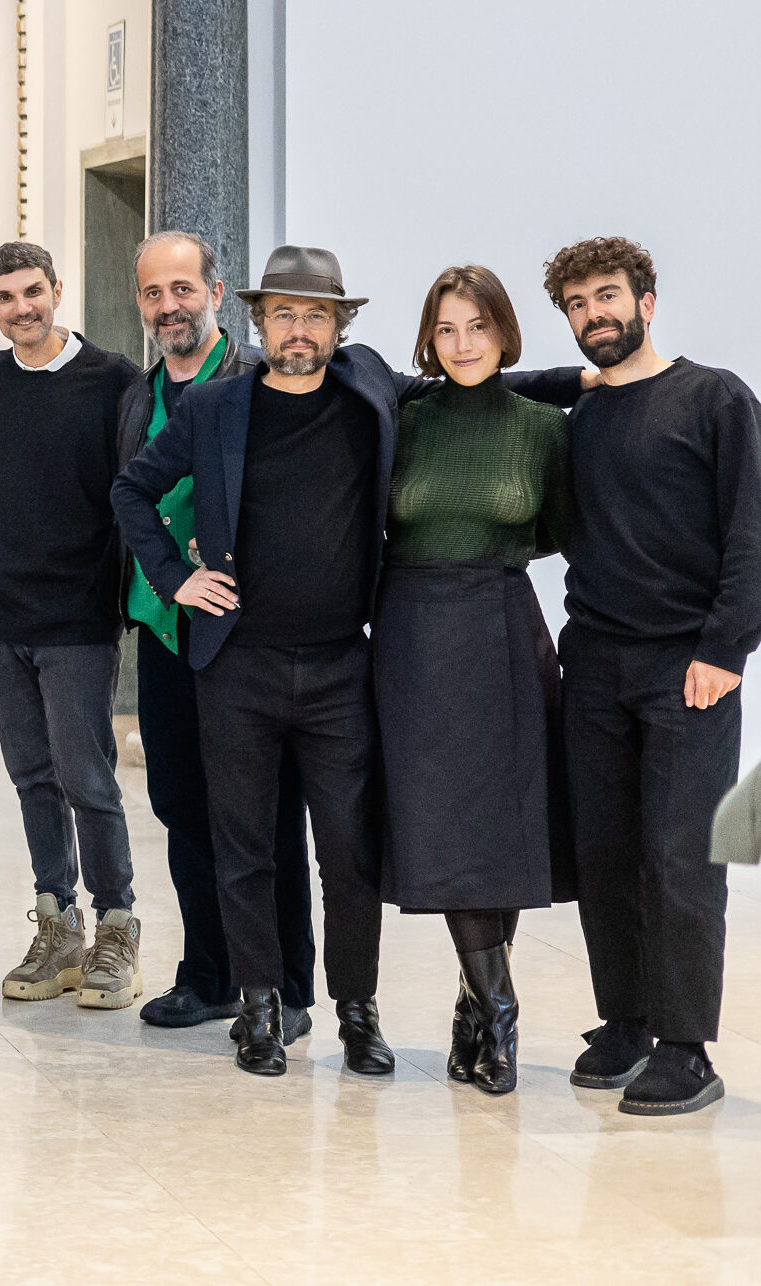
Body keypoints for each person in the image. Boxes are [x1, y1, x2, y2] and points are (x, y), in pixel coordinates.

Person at [113, 244, 585, 1076]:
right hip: (238, 666)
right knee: (245, 849)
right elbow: (132, 490)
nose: (299, 330)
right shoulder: (216, 407)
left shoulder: (369, 387)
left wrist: (582, 380)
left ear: (340, 325)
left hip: (342, 668)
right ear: (259, 322)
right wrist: (175, 578)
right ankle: (260, 1011)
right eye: (283, 315)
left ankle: (357, 1015)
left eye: (316, 315)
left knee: (350, 855)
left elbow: (474, 382)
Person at [547, 236, 761, 1115]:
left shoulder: (714, 398)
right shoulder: (581, 419)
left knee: (680, 858)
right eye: (576, 304)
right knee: (604, 854)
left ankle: (686, 1047)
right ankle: (627, 1022)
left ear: (646, 301)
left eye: (607, 296)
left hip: (688, 667)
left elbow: (752, 531)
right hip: (595, 661)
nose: (593, 314)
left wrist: (725, 649)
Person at [371, 264, 571, 1097]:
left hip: (502, 629)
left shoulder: (543, 428)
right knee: (447, 827)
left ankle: (474, 1006)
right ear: (428, 339)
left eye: (478, 327)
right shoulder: (403, 419)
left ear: (504, 333)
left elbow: (559, 529)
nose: (462, 344)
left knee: (501, 829)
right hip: (415, 638)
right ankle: (500, 1007)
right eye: (446, 329)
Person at [112, 231, 316, 1036]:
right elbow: (131, 499)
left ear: (216, 293)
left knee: (266, 817)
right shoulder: (139, 397)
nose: (169, 306)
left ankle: (287, 989)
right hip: (167, 632)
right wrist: (169, 579)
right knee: (182, 807)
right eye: (154, 293)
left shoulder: (258, 381)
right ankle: (210, 976)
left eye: (183, 289)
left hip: (243, 639)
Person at [0, 242, 145, 1009]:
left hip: (76, 620)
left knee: (87, 779)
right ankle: (58, 925)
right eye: (5, 298)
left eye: (32, 291)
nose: (21, 308)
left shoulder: (115, 380)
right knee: (31, 777)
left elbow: (133, 494)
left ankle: (116, 927)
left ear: (58, 289)